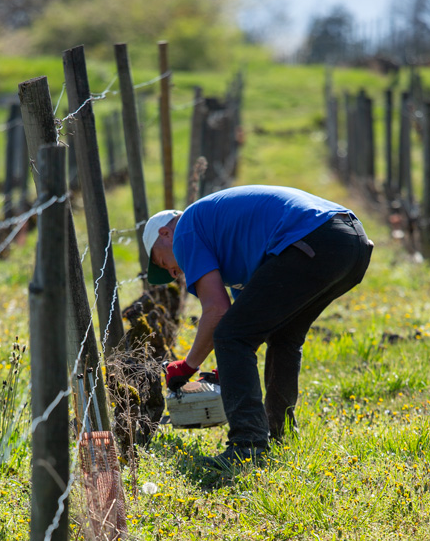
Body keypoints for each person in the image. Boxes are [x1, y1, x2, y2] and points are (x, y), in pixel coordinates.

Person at [143, 184, 373, 468]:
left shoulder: (187, 228)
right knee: (283, 336)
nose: (172, 271)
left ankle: (247, 446)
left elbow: (217, 313)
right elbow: (253, 322)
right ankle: (281, 434)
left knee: (231, 335)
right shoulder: (226, 241)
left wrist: (187, 367)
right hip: (350, 242)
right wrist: (224, 370)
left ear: (165, 234)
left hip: (315, 239)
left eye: (162, 261)